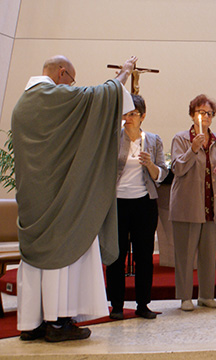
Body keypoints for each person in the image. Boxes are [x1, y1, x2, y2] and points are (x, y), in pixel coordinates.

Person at [12, 55, 137, 342]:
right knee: (62, 253)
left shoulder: (22, 104)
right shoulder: (49, 96)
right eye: (71, 80)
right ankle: (58, 323)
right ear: (61, 73)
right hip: (59, 200)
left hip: (34, 199)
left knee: (35, 263)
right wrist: (124, 74)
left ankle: (33, 323)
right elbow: (99, 98)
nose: (72, 87)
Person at [106, 94, 167, 320]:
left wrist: (150, 164)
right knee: (117, 255)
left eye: (133, 114)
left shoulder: (153, 140)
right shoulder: (113, 138)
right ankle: (117, 306)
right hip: (118, 203)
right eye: (125, 114)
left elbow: (161, 175)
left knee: (144, 255)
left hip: (144, 203)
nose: (128, 118)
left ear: (142, 116)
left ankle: (143, 304)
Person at [170, 94, 216, 311]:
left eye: (208, 113)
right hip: (187, 207)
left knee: (208, 254)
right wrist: (193, 149)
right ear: (191, 114)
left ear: (213, 117)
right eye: (200, 112)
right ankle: (185, 297)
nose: (204, 116)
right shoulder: (181, 139)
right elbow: (177, 169)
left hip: (213, 207)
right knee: (185, 255)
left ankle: (206, 295)